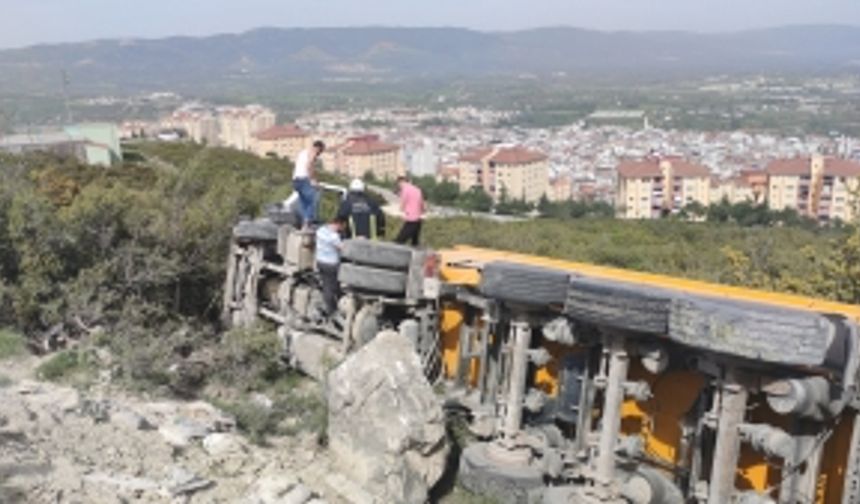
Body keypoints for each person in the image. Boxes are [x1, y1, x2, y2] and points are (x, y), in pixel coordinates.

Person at [315, 215, 345, 318]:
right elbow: (342, 248)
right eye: (342, 226)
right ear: (338, 224)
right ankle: (331, 310)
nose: (342, 229)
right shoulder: (334, 236)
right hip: (331, 265)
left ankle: (328, 307)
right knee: (332, 287)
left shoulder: (320, 231)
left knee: (325, 285)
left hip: (320, 262)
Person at [292, 140, 325, 228]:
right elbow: (309, 165)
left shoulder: (302, 152)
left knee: (303, 202)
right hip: (304, 179)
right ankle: (307, 223)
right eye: (320, 151)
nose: (319, 154)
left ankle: (303, 222)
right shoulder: (312, 153)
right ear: (317, 148)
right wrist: (313, 180)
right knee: (312, 200)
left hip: (296, 180)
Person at [395, 175, 425, 246]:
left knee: (399, 241)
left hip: (410, 219)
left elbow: (403, 204)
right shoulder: (417, 189)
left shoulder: (405, 189)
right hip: (418, 219)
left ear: (401, 182)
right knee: (415, 242)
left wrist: (401, 210)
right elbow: (422, 204)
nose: (399, 186)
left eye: (399, 184)